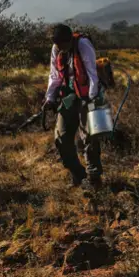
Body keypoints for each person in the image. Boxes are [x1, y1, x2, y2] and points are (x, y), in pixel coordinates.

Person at [43, 23, 103, 189]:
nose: (60, 48)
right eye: (58, 45)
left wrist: (90, 98)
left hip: (86, 94)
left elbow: (92, 73)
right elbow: (54, 75)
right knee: (61, 138)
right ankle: (78, 175)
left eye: (63, 45)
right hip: (68, 95)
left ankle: (94, 178)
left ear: (69, 40)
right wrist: (50, 98)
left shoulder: (83, 45)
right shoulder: (56, 49)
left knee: (89, 137)